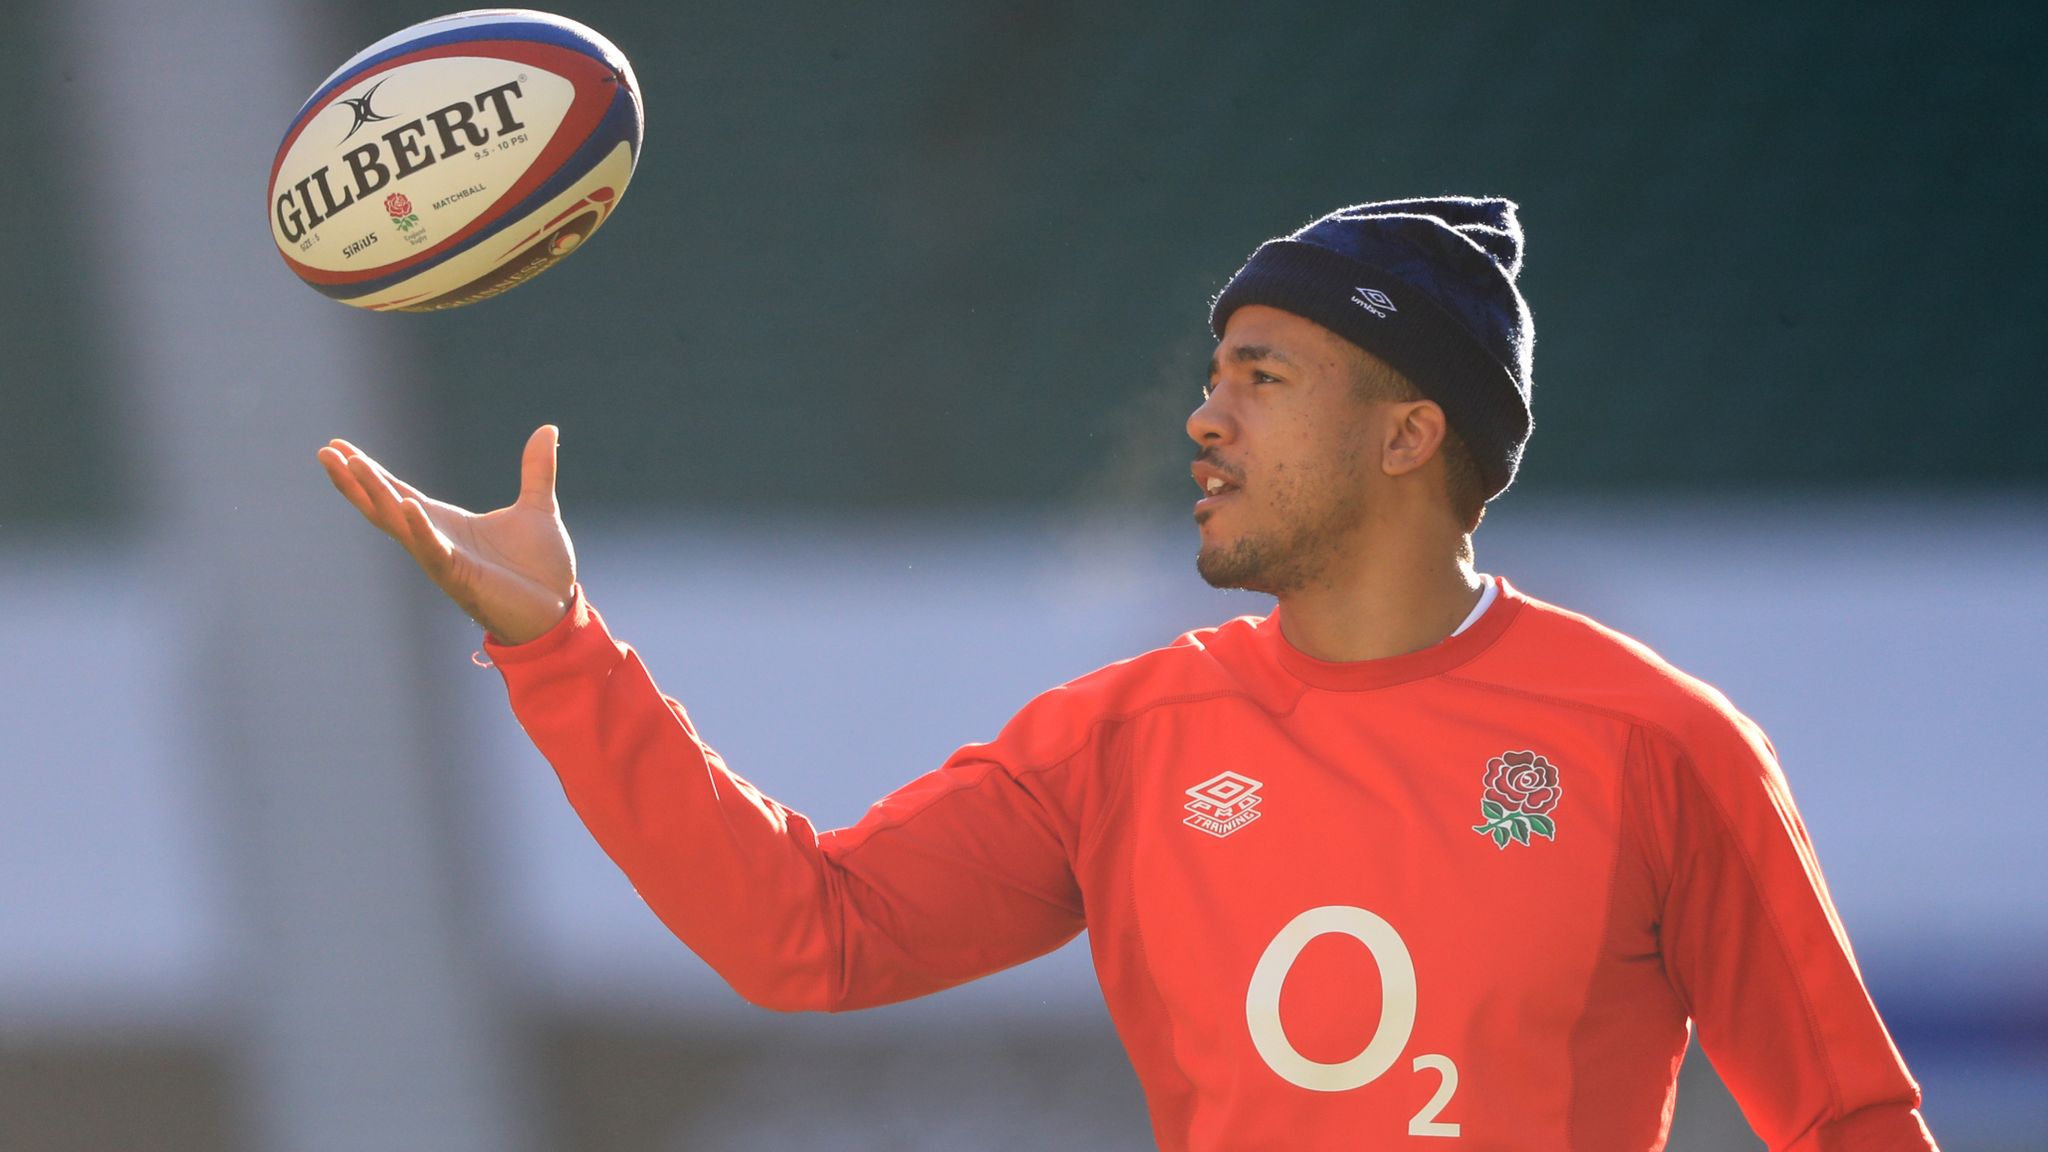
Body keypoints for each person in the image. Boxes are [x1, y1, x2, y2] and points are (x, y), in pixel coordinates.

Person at [317, 197, 1939, 1150]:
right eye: (1211, 372)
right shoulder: (1128, 740)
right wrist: (559, 650)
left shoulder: (1652, 742)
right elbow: (805, 936)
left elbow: (1853, 1125)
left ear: (1410, 434)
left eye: (1263, 374)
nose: (1204, 417)